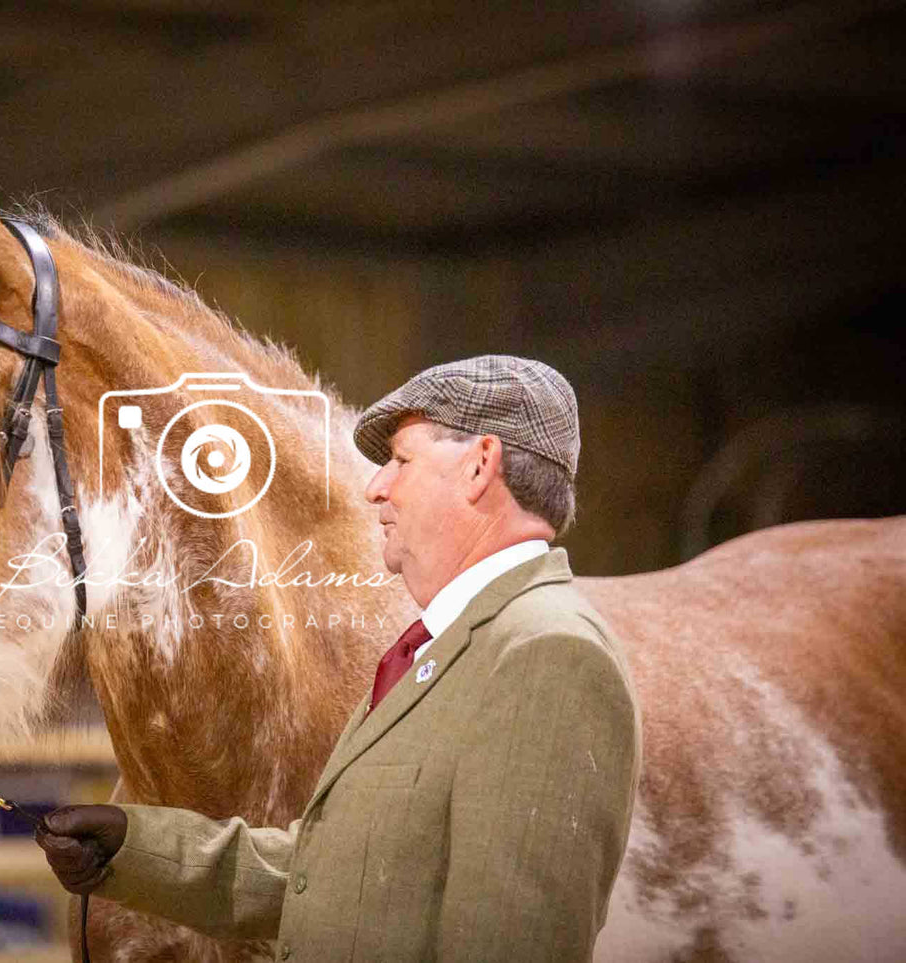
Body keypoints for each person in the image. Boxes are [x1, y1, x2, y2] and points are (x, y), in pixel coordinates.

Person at [36, 356, 641, 962]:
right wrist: (132, 849)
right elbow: (325, 879)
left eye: (401, 460)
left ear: (479, 465)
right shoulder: (457, 644)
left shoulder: (548, 657)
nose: (375, 487)